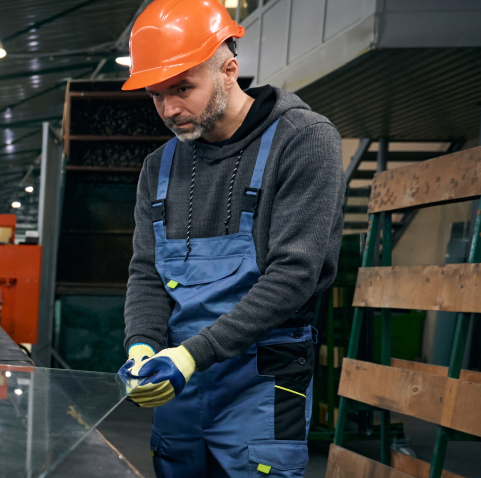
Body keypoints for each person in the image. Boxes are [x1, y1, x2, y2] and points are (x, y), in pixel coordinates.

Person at [116, 0, 344, 476]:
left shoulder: (303, 141)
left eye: (182, 88)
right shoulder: (159, 167)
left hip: (258, 384)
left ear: (228, 70)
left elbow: (294, 275)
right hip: (179, 382)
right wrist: (142, 343)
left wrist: (191, 354)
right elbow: (146, 270)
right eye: (156, 95)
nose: (169, 109)